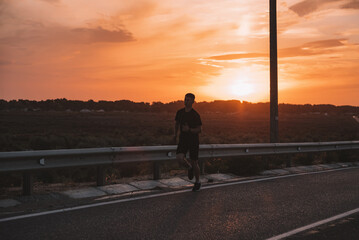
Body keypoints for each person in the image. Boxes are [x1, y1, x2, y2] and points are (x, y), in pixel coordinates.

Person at [174, 93, 202, 191]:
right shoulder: (180, 112)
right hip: (183, 139)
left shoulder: (195, 115)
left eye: (188, 100)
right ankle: (189, 167)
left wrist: (189, 129)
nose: (186, 101)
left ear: (193, 102)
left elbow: (199, 129)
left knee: (194, 162)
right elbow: (176, 123)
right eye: (185, 99)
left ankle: (197, 181)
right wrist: (175, 135)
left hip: (193, 140)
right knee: (179, 158)